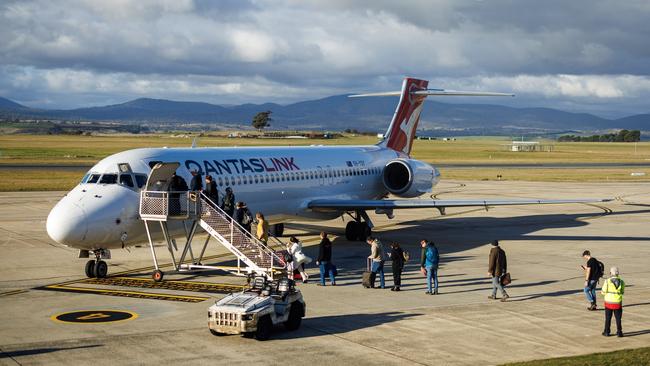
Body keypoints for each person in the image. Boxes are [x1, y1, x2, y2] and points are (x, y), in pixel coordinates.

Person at [601, 266, 625, 337]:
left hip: (609, 302)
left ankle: (607, 331)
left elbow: (603, 292)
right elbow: (622, 291)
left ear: (610, 273)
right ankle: (619, 332)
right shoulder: (621, 281)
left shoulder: (607, 281)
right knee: (618, 318)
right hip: (617, 302)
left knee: (608, 318)